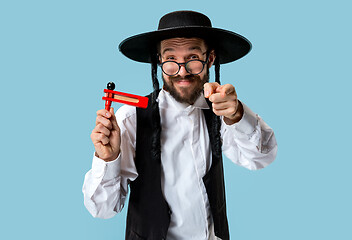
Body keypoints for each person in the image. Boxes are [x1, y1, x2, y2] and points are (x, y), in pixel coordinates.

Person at [83, 10, 277, 240]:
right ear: (159, 61)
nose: (182, 71)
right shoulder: (130, 118)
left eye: (193, 58)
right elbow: (103, 209)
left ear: (210, 58)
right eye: (171, 60)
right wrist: (108, 159)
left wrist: (237, 115)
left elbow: (260, 158)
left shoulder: (221, 111)